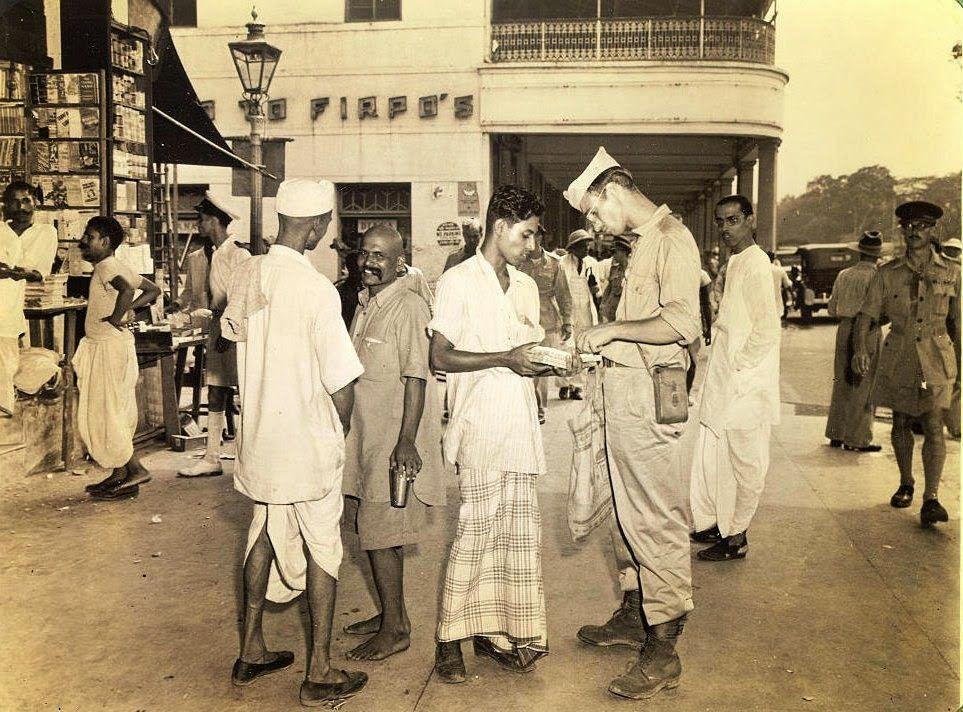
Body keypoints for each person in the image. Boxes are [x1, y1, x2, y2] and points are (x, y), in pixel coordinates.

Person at [221, 179, 368, 705]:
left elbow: (237, 344)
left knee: (262, 530)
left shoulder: (250, 271)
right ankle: (321, 671)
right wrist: (339, 435)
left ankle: (252, 650)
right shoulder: (315, 288)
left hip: (260, 440)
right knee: (324, 548)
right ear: (316, 225)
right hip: (306, 444)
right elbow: (343, 383)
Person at [569, 148, 701, 701]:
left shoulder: (672, 239)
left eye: (594, 213)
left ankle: (664, 648)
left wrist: (613, 333)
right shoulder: (641, 244)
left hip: (648, 402)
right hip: (620, 394)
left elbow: (680, 322)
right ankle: (633, 613)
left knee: (654, 517)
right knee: (622, 513)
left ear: (611, 191)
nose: (594, 226)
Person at [429, 185, 567, 683]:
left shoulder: (527, 287)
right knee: (474, 534)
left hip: (521, 429)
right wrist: (505, 359)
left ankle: (498, 633)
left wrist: (548, 363)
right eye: (526, 234)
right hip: (480, 428)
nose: (532, 246)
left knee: (516, 540)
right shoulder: (458, 281)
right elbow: (439, 356)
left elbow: (528, 350)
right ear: (500, 225)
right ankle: (449, 639)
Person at [340, 224, 445, 661]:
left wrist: (406, 442)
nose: (370, 262)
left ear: (400, 261)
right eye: (366, 253)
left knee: (382, 535)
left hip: (392, 442)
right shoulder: (366, 304)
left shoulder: (409, 307)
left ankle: (396, 628)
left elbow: (416, 377)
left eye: (381, 256)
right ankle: (390, 612)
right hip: (365, 438)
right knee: (375, 531)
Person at [853, 201, 960, 528]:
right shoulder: (887, 273)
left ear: (933, 230)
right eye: (908, 226)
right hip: (900, 352)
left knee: (933, 423)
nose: (914, 232)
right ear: (902, 229)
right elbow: (868, 315)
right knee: (900, 421)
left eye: (922, 226)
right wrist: (860, 348)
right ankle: (906, 481)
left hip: (936, 354)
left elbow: (959, 321)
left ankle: (931, 498)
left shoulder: (953, 272)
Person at [689, 195, 781, 561]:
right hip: (727, 379)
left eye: (733, 220)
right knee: (716, 455)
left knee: (746, 461)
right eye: (721, 221)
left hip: (747, 386)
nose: (726, 228)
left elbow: (767, 329)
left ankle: (737, 536)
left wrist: (739, 365)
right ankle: (719, 523)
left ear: (751, 220)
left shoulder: (757, 263)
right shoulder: (738, 260)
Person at [75, 217, 160, 499]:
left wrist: (116, 316)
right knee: (113, 411)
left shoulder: (107, 267)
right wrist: (127, 312)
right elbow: (153, 290)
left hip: (108, 347)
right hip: (112, 345)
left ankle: (134, 469)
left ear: (105, 242)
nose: (84, 240)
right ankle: (120, 475)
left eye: (90, 236)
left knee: (106, 411)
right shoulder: (115, 265)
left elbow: (125, 289)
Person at [178, 193, 249, 477]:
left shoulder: (238, 254)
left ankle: (247, 457)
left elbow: (243, 298)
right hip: (219, 326)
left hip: (235, 330)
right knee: (217, 390)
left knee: (245, 391)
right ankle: (211, 457)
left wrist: (230, 333)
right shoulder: (213, 253)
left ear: (215, 221)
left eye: (202, 219)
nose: (198, 224)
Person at [0, 181, 58, 415]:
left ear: (35, 202)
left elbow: (37, 272)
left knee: (7, 366)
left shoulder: (46, 232)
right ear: (5, 204)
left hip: (9, 312)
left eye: (25, 200)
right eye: (14, 201)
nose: (20, 206)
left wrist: (10, 271)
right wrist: (16, 271)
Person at [824, 232, 884, 452]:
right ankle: (857, 438)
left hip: (845, 328)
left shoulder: (844, 274)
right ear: (877, 255)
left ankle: (836, 433)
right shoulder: (879, 276)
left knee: (842, 380)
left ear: (859, 251)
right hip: (868, 330)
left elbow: (832, 308)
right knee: (865, 384)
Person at [518, 226, 573, 423]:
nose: (532, 239)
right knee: (525, 365)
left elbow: (563, 294)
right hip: (523, 322)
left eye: (536, 235)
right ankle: (527, 407)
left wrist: (568, 322)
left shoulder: (554, 264)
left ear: (541, 237)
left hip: (548, 321)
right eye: (528, 235)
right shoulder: (517, 262)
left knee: (541, 367)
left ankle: (539, 409)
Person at [558, 229, 599, 400]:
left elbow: (597, 291)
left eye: (588, 245)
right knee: (566, 348)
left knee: (583, 348)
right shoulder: (561, 264)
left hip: (586, 312)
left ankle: (578, 385)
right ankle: (564, 385)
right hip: (568, 312)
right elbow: (559, 290)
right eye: (583, 246)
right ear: (573, 248)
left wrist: (594, 288)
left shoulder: (592, 263)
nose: (587, 249)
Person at [940, 237, 961, 439]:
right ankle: (955, 426)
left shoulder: (941, 270)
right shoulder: (958, 272)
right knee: (956, 382)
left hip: (944, 330)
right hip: (953, 330)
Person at [598, 234, 631, 323]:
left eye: (615, 252)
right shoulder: (614, 269)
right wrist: (603, 305)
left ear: (624, 252)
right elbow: (609, 288)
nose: (613, 256)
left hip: (627, 314)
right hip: (612, 313)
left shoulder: (633, 270)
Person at [768, 251, 792, 320]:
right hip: (777, 302)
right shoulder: (780, 270)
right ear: (774, 259)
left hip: (763, 303)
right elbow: (787, 284)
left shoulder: (760, 270)